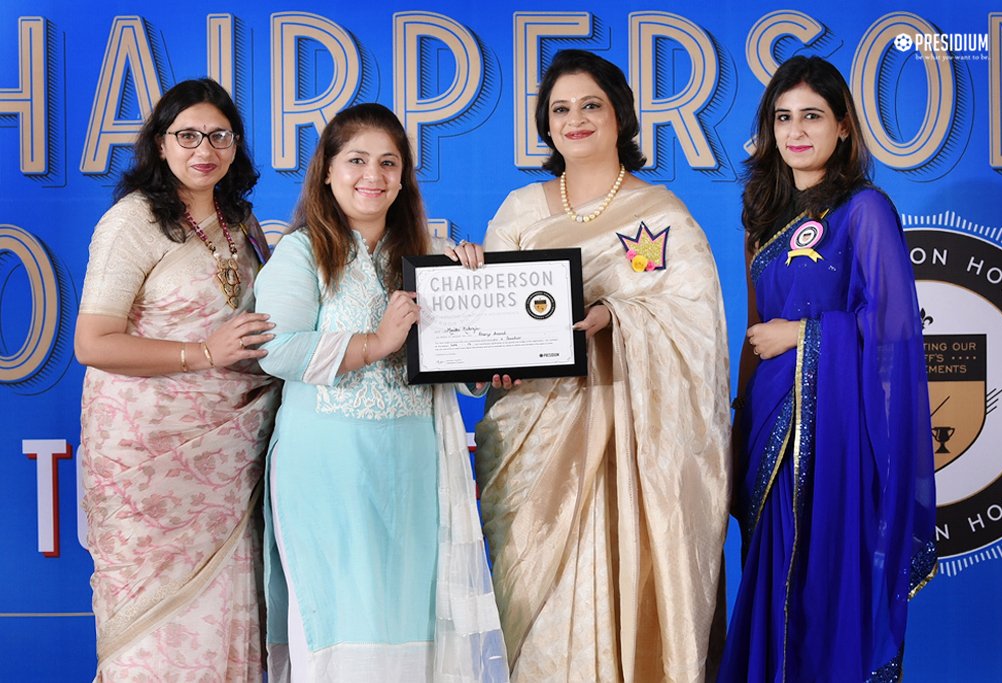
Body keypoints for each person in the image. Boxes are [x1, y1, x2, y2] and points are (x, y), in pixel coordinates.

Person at [474, 49, 732, 682]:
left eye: (591, 105)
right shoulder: (520, 210)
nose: (576, 120)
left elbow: (698, 332)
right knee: (532, 611)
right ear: (546, 124)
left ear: (621, 115)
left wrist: (616, 318)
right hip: (532, 439)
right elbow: (489, 320)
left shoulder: (662, 216)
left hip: (628, 443)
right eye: (561, 109)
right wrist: (491, 363)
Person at [253, 103, 508, 682]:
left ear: (404, 177)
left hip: (414, 471)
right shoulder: (301, 252)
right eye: (357, 160)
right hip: (328, 470)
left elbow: (449, 363)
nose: (374, 175)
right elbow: (278, 350)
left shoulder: (425, 257)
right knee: (343, 625)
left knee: (413, 628)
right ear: (327, 171)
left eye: (389, 163)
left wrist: (487, 351)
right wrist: (375, 343)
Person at [718, 56, 937, 682]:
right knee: (771, 581)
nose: (796, 131)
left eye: (812, 116)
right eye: (783, 117)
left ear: (843, 126)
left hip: (834, 431)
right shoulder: (762, 217)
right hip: (767, 428)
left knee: (822, 584)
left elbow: (893, 330)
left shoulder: (864, 210)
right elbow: (755, 334)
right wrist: (736, 424)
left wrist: (804, 334)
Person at [74, 78, 280, 681]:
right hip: (150, 464)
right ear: (160, 144)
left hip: (232, 459)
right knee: (152, 633)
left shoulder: (240, 221)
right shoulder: (132, 222)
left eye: (219, 136)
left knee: (227, 616)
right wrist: (203, 353)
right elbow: (93, 342)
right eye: (187, 135)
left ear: (236, 146)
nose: (204, 149)